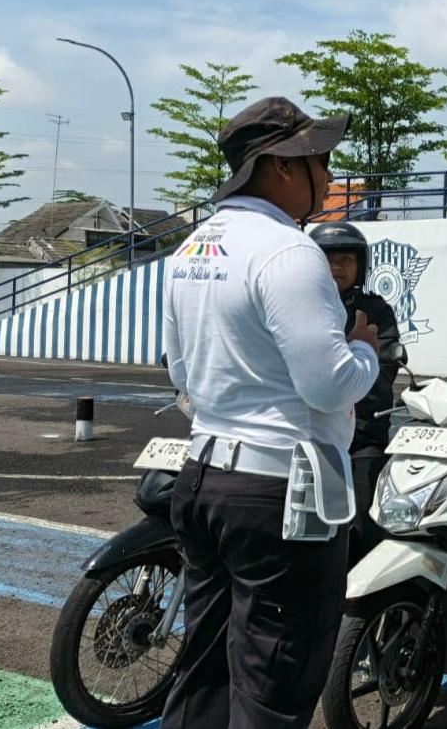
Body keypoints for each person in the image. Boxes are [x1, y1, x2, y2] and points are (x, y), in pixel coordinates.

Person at [160, 97, 381, 729]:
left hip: (202, 475)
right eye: (321, 160)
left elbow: (180, 376)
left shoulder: (192, 248)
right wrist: (363, 351)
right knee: (274, 684)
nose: (330, 177)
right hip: (281, 491)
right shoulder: (289, 251)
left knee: (203, 672)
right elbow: (329, 386)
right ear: (282, 165)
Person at [309, 220, 403, 556]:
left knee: (364, 523)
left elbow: (382, 371)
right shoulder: (301, 306)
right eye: (328, 260)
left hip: (361, 436)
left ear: (359, 266)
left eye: (346, 260)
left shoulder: (375, 310)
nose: (336, 267)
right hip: (310, 435)